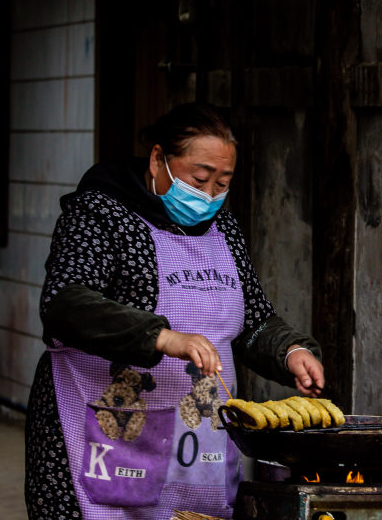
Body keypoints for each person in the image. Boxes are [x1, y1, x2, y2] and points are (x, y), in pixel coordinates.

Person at [25, 103, 325, 519]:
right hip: (107, 437)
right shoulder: (100, 215)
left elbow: (253, 321)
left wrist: (291, 352)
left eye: (222, 183)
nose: (209, 195)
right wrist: (164, 338)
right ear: (157, 158)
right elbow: (65, 303)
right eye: (199, 178)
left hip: (197, 445)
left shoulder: (225, 230)